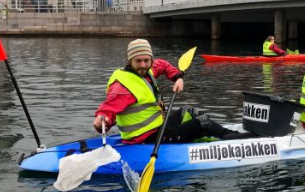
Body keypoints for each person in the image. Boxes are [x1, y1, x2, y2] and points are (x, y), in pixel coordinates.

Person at [93, 39, 251, 144]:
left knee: (188, 110)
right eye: (138, 61)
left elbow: (163, 65)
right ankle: (234, 139)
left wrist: (177, 77)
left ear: (150, 60)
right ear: (130, 61)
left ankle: (224, 134)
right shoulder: (123, 87)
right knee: (204, 122)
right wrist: (102, 122)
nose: (143, 65)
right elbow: (108, 110)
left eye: (146, 60)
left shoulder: (147, 69)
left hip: (158, 127)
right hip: (146, 139)